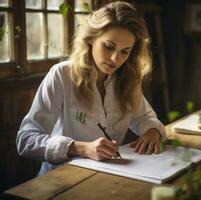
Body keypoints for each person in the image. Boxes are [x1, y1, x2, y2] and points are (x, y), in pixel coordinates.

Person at [16, 1, 166, 176]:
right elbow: (26, 140)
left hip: (109, 177)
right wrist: (81, 148)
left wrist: (153, 131)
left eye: (125, 51)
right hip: (60, 179)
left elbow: (145, 118)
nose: (115, 58)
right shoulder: (62, 75)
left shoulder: (128, 79)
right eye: (109, 46)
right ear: (91, 39)